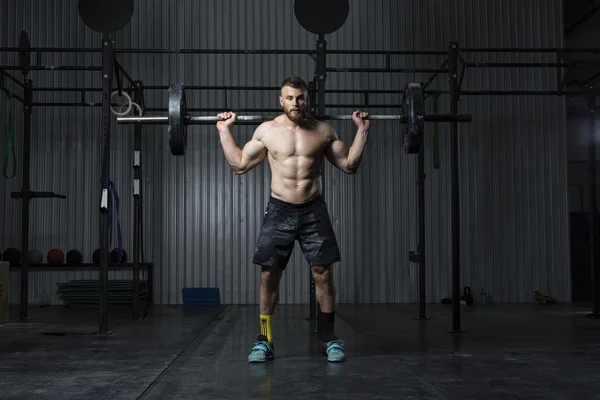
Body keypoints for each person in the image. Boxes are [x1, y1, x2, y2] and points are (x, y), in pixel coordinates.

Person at [215, 75, 370, 363]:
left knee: (322, 273)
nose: (295, 103)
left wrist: (362, 130)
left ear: (306, 99)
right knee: (268, 275)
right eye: (289, 98)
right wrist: (224, 130)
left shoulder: (323, 131)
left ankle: (328, 338)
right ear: (281, 100)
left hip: (313, 210)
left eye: (300, 97)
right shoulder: (267, 131)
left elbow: (349, 165)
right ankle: (265, 340)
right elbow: (238, 165)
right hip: (280, 210)